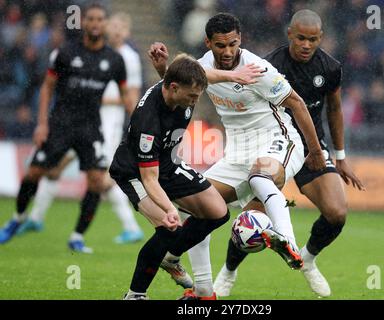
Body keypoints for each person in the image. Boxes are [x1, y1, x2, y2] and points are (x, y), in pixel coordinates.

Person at [149, 12, 326, 300]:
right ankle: (204, 290)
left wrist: (315, 149)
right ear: (208, 43)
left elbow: (296, 102)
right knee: (196, 203)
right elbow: (177, 90)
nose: (228, 51)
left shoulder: (258, 68)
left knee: (260, 172)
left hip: (277, 140)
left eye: (233, 44)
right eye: (221, 46)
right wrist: (163, 70)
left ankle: (289, 242)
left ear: (240, 39)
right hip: (236, 152)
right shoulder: (201, 68)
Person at [214, 9, 365, 298]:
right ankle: (228, 272)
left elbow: (334, 108)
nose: (306, 45)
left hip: (311, 150)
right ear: (289, 35)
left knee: (337, 213)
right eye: (300, 39)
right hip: (272, 148)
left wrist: (341, 156)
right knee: (251, 221)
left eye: (312, 40)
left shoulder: (330, 67)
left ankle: (307, 259)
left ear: (320, 38)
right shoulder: (269, 64)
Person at [110, 54, 248, 300]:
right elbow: (149, 178)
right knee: (167, 228)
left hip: (168, 164)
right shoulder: (147, 122)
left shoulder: (182, 87)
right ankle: (135, 294)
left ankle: (171, 257)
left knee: (218, 211)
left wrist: (233, 75)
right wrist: (169, 209)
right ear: (173, 88)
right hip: (136, 173)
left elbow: (199, 73)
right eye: (193, 96)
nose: (196, 100)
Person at [0, 4, 134, 252]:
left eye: (100, 19)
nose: (95, 23)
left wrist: (137, 121)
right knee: (34, 173)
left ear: (104, 24)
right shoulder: (65, 52)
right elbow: (47, 87)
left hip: (91, 129)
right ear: (84, 23)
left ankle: (77, 236)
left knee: (95, 181)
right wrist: (41, 124)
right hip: (60, 125)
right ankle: (17, 218)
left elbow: (127, 96)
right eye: (91, 19)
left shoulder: (114, 60)